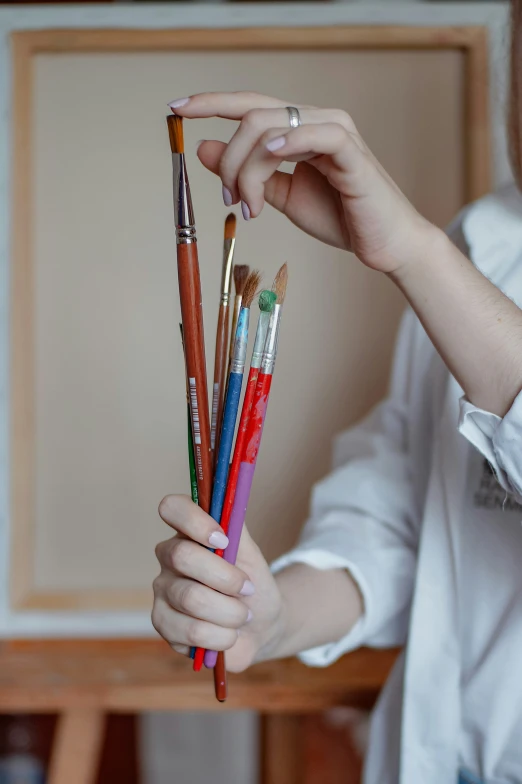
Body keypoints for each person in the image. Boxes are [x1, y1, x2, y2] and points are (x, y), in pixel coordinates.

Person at [152, 12, 522, 782]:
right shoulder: (485, 240)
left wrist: (417, 256)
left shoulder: (440, 259)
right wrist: (270, 611)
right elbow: (402, 527)